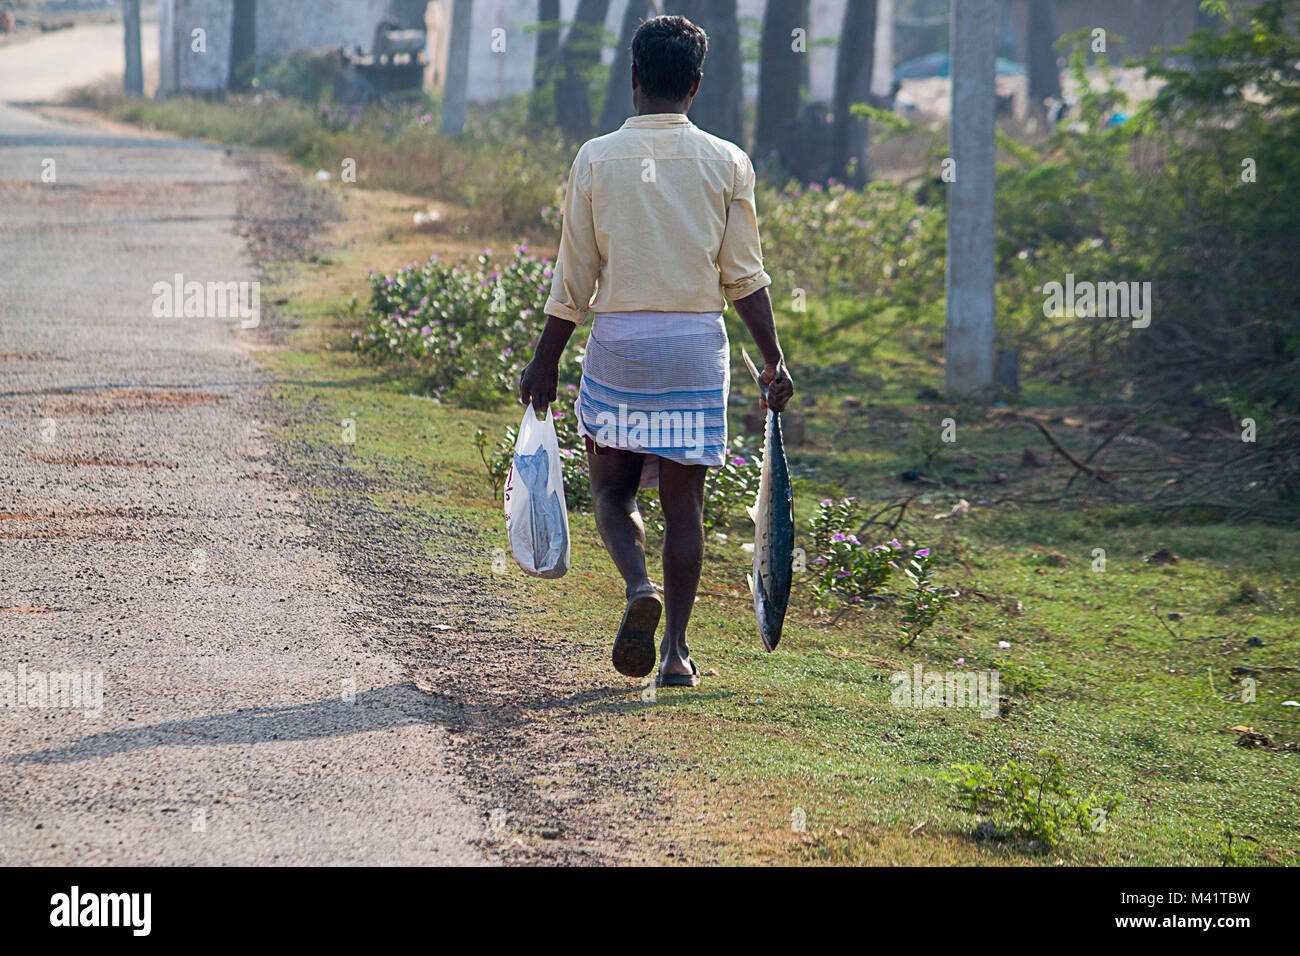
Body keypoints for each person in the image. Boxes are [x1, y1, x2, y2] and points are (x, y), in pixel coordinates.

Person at [519, 14, 793, 688]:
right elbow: (744, 275)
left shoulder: (596, 157)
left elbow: (573, 278)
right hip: (695, 348)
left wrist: (546, 360)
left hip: (621, 347)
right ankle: (675, 654)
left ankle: (640, 584)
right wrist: (772, 360)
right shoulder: (728, 161)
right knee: (685, 507)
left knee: (612, 494)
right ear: (695, 85)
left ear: (634, 80)